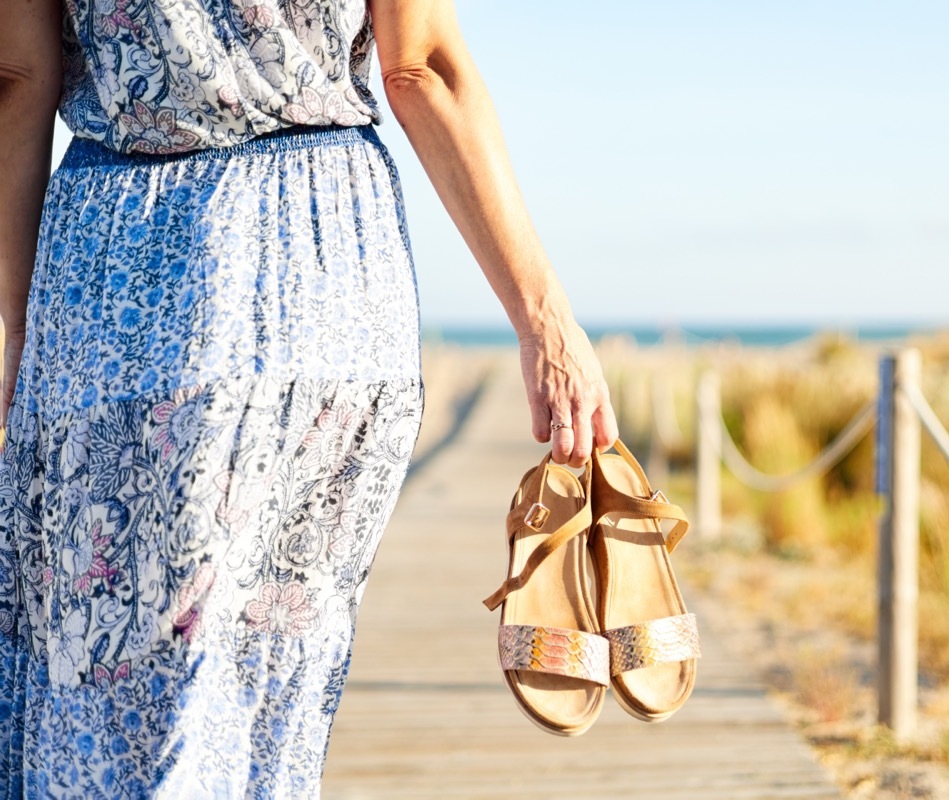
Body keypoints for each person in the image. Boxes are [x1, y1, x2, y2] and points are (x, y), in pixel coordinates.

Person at [0, 0, 617, 794]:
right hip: (326, 281)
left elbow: (17, 76)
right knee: (268, 686)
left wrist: (18, 326)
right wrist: (545, 321)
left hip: (124, 285)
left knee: (124, 693)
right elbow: (420, 67)